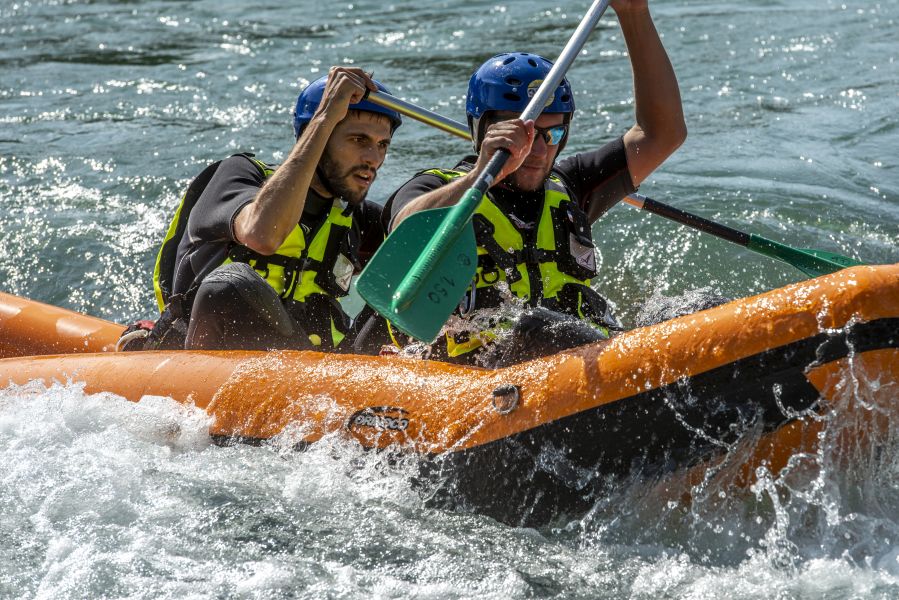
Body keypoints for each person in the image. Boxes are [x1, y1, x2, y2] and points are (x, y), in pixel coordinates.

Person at [384, 0, 687, 365]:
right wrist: (483, 173)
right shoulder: (433, 187)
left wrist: (633, 12)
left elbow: (663, 133)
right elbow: (405, 230)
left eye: (552, 132)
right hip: (480, 381)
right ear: (483, 130)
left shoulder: (569, 184)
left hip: (582, 366)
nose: (537, 149)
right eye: (522, 133)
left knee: (687, 309)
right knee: (537, 328)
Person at [136, 67, 402, 352]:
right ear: (316, 133)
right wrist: (325, 117)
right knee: (229, 285)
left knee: (403, 293)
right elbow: (262, 234)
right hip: (214, 358)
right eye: (358, 140)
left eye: (382, 144)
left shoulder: (353, 218)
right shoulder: (239, 175)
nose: (373, 158)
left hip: (323, 373)